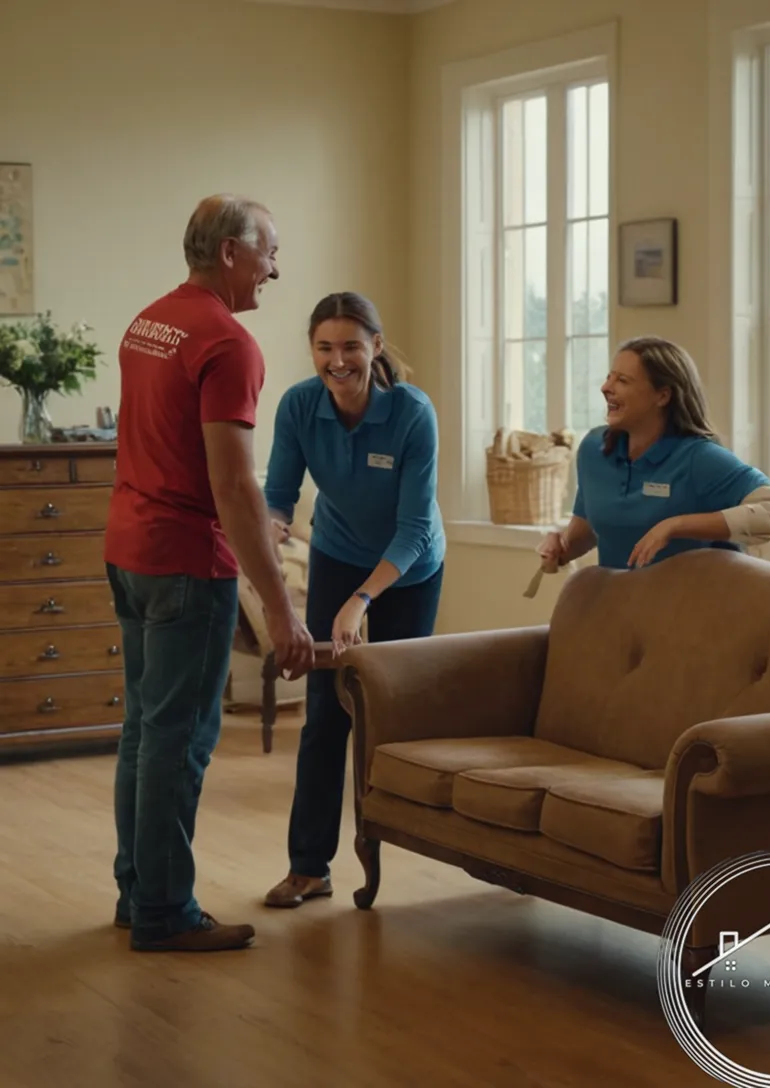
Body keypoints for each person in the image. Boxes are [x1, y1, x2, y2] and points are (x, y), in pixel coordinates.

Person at [104, 194, 315, 952]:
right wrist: (282, 611)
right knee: (180, 739)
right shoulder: (228, 343)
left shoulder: (149, 322)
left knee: (144, 730)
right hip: (187, 563)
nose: (275, 269)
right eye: (269, 252)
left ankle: (139, 893)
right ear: (231, 252)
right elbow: (233, 486)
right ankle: (164, 911)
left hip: (130, 549)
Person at [262, 291, 445, 909]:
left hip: (408, 570)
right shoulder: (299, 405)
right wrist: (269, 529)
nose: (337, 360)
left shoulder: (411, 413)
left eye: (350, 347)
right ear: (311, 350)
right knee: (326, 714)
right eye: (324, 348)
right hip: (338, 554)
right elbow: (279, 495)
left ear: (376, 347)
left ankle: (408, 849)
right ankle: (308, 867)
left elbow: (414, 530)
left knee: (391, 716)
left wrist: (361, 599)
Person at [539, 336, 770, 571]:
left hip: (694, 607)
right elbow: (587, 532)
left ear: (662, 396)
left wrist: (675, 525)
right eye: (610, 377)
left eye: (622, 380)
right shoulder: (593, 449)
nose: (606, 387)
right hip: (623, 604)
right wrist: (560, 546)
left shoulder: (699, 458)